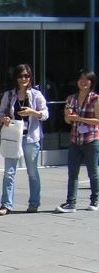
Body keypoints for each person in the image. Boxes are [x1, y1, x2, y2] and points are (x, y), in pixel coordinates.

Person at [0, 64, 49, 214]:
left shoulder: (36, 95)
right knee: (9, 172)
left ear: (30, 77)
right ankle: (6, 204)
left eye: (27, 76)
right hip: (13, 137)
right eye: (20, 76)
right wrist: (4, 119)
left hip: (30, 137)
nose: (24, 79)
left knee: (32, 172)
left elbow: (45, 114)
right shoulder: (9, 95)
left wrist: (33, 112)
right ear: (16, 78)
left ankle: (34, 203)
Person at [57, 69, 99, 212]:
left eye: (86, 79)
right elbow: (67, 120)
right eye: (81, 78)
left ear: (91, 82)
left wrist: (79, 118)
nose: (83, 81)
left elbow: (97, 120)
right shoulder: (71, 98)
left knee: (93, 172)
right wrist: (67, 116)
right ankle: (71, 203)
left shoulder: (95, 99)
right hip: (75, 139)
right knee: (72, 172)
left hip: (91, 139)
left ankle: (95, 201)